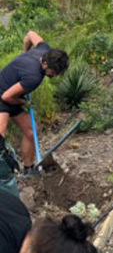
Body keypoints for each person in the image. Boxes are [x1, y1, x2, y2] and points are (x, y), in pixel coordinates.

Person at [0, 32, 69, 169]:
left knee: (32, 131)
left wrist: (24, 52)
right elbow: (6, 97)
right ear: (44, 63)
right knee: (0, 138)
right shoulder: (34, 77)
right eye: (53, 72)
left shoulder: (44, 49)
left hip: (13, 93)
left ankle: (28, 168)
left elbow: (30, 35)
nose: (54, 75)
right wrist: (24, 103)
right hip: (2, 94)